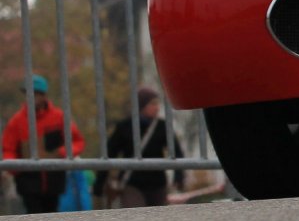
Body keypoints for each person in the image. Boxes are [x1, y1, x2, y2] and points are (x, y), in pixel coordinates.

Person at [1, 74, 86, 213]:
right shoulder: (16, 122)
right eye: (28, 94)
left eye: (35, 94)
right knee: (34, 215)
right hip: (28, 183)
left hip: (54, 181)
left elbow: (77, 142)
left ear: (44, 95)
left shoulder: (59, 117)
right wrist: (14, 166)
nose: (31, 98)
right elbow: (8, 149)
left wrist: (61, 153)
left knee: (52, 215)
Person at [96, 87, 185, 208]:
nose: (157, 107)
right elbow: (109, 154)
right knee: (136, 214)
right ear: (142, 105)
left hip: (157, 184)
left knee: (159, 217)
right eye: (152, 104)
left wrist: (179, 176)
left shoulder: (162, 127)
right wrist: (100, 182)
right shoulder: (125, 127)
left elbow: (176, 152)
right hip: (132, 184)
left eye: (157, 103)